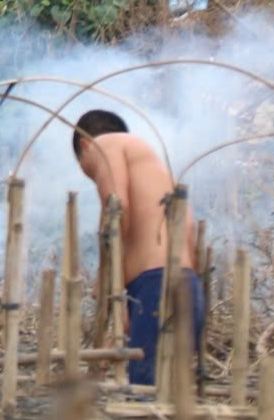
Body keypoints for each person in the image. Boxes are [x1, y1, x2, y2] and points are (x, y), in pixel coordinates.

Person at [70, 108, 201, 386]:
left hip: (154, 284)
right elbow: (190, 231)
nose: (94, 178)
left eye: (87, 170)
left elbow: (117, 207)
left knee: (144, 400)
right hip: (188, 285)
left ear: (85, 145)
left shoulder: (105, 145)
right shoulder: (156, 168)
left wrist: (108, 276)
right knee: (173, 395)